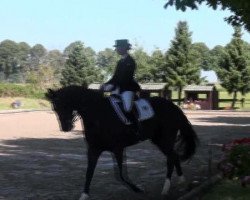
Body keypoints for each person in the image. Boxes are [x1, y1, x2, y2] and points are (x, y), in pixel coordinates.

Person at [101, 39, 140, 113]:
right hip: (118, 89)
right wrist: (106, 84)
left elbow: (127, 78)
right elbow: (115, 76)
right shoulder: (120, 62)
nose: (116, 49)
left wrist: (113, 86)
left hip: (128, 89)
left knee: (127, 108)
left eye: (118, 47)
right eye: (116, 47)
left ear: (124, 48)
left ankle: (135, 123)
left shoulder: (130, 61)